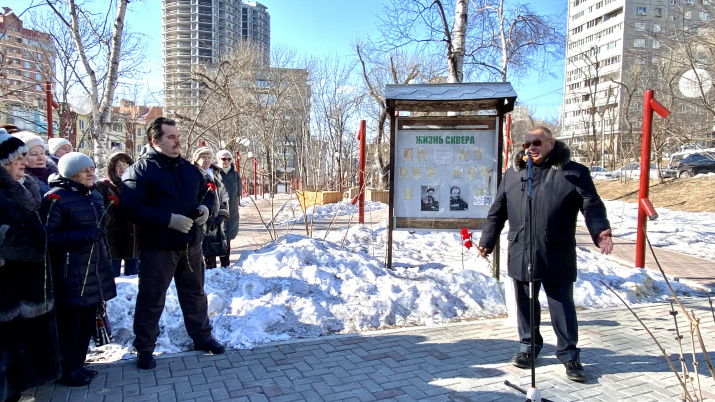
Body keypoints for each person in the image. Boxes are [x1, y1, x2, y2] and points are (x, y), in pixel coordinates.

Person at [477, 126, 613, 382]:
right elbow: (497, 212)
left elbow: (591, 204)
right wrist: (487, 240)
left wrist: (600, 232)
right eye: (527, 144)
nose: (531, 148)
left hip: (556, 250)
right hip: (521, 250)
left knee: (561, 306)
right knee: (526, 305)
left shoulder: (573, 172)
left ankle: (569, 354)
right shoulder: (513, 174)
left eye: (537, 142)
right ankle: (528, 347)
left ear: (551, 143)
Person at [121, 117, 224, 371]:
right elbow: (131, 207)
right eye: (171, 137)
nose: (178, 141)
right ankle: (145, 348)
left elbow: (209, 191)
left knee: (195, 295)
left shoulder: (189, 169)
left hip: (191, 245)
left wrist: (206, 208)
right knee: (152, 298)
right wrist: (168, 220)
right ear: (155, 141)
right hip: (159, 248)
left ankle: (202, 337)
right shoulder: (140, 170)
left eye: (178, 136)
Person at [42, 152, 117, 387]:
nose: (90, 173)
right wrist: (83, 236)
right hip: (71, 273)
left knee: (86, 323)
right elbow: (47, 237)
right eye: (84, 170)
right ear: (70, 174)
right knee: (70, 325)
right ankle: (66, 370)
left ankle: (78, 364)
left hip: (94, 270)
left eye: (92, 169)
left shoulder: (93, 195)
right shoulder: (56, 198)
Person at [0, 130, 61, 402]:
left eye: (26, 156)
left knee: (21, 341)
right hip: (7, 284)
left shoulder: (26, 188)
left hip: (28, 283)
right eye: (17, 158)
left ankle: (17, 386)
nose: (23, 162)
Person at [95, 152, 139, 276]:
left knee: (132, 280)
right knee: (113, 277)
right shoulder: (103, 186)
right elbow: (101, 211)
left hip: (134, 241)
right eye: (118, 165)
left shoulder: (138, 186)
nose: (122, 168)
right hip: (113, 238)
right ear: (112, 168)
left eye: (125, 164)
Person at [192, 147, 229, 269]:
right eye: (203, 157)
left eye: (209, 157)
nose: (207, 160)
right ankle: (205, 277)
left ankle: (215, 275)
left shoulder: (215, 174)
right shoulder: (194, 174)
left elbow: (223, 195)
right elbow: (193, 199)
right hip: (202, 219)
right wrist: (205, 217)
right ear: (196, 159)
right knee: (203, 251)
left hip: (217, 218)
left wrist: (222, 214)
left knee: (216, 247)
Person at [216, 150, 241, 267]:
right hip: (217, 213)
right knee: (213, 239)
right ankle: (211, 268)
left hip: (232, 213)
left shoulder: (235, 175)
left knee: (227, 240)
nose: (226, 161)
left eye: (229, 159)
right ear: (218, 160)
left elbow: (238, 194)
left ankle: (225, 266)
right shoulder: (213, 173)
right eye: (223, 159)